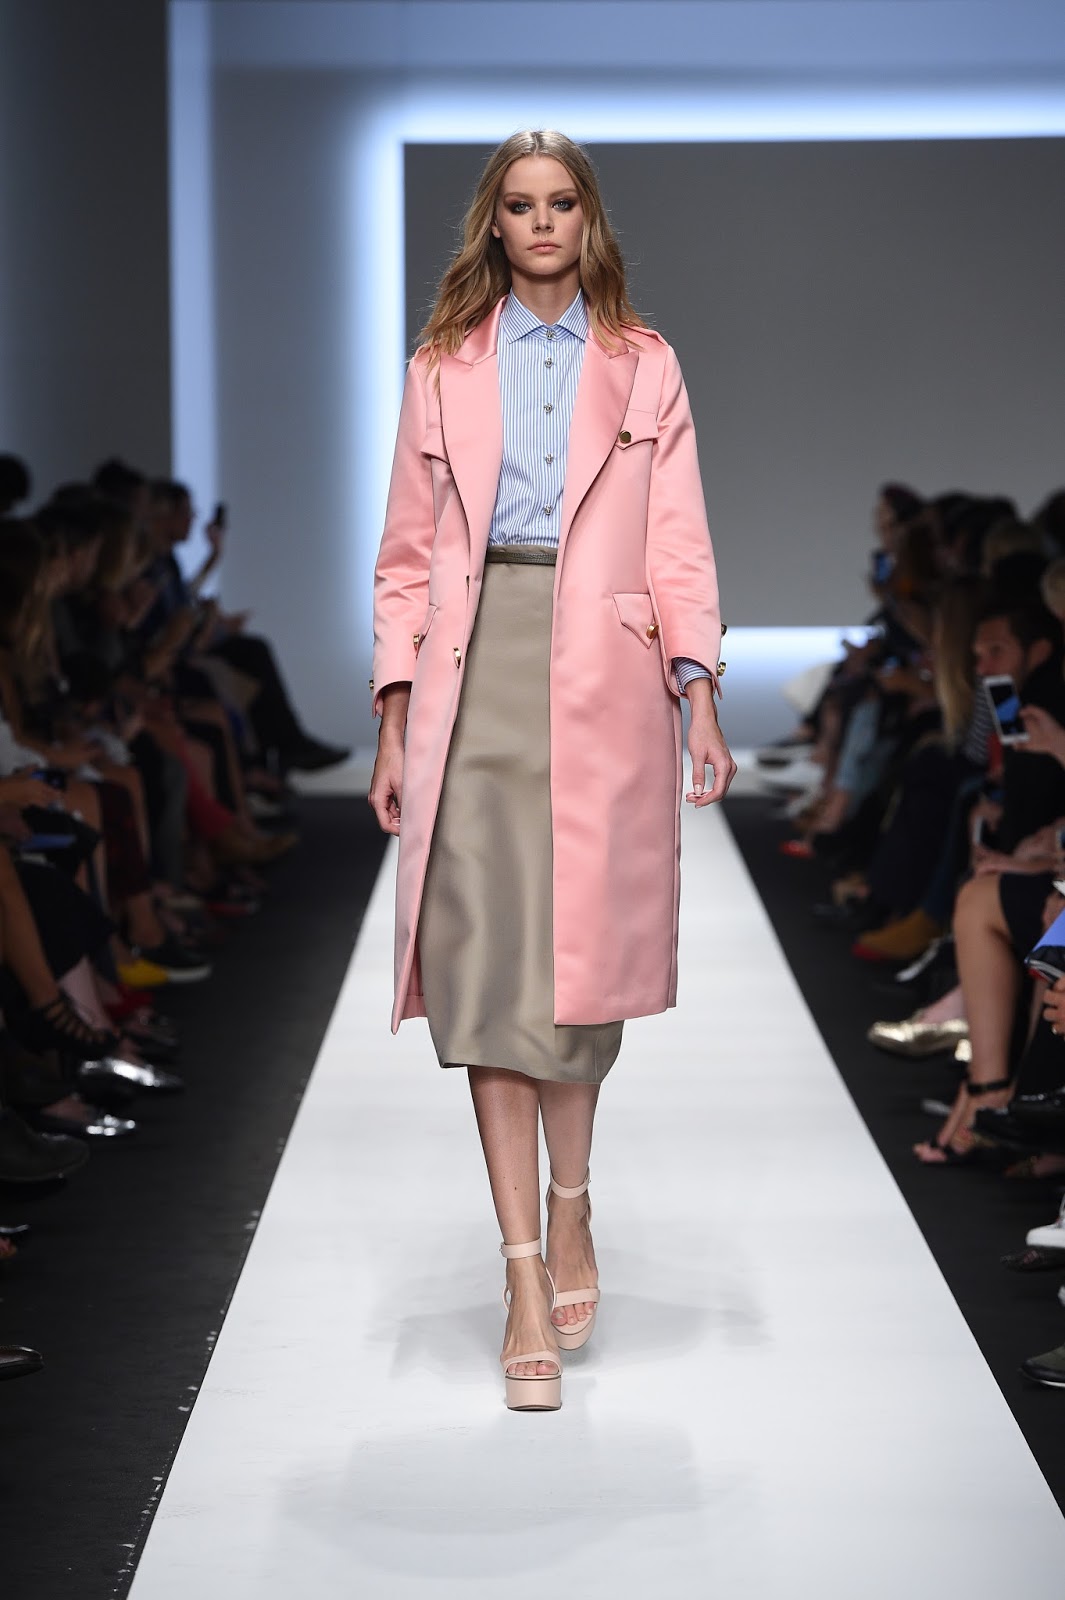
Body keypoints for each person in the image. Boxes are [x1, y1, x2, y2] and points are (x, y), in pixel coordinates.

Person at [369, 130, 734, 1411]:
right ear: (494, 221)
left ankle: (573, 1202)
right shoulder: (438, 368)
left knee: (579, 975)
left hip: (606, 677)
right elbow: (405, 557)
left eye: (560, 202)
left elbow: (679, 543)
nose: (540, 222)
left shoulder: (646, 363)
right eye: (519, 204)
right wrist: (394, 718)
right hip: (475, 674)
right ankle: (523, 1272)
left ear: (588, 219)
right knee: (485, 974)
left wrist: (700, 696)